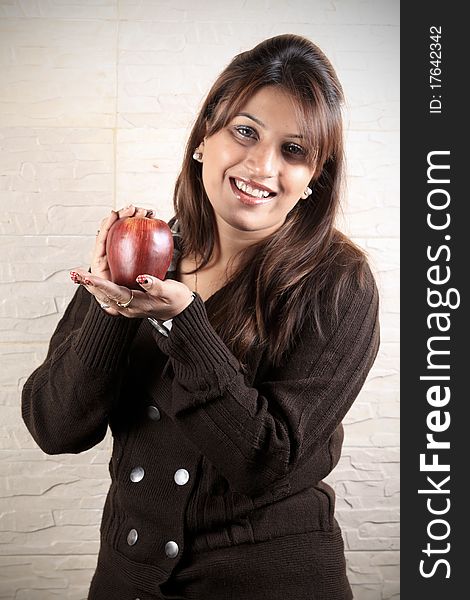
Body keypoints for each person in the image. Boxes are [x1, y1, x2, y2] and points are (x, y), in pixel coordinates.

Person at [22, 34, 380, 600]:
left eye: (293, 150)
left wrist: (184, 325)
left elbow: (265, 461)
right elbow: (54, 428)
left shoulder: (338, 283)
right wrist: (111, 311)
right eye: (245, 131)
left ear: (315, 175)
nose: (262, 165)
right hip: (126, 579)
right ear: (204, 137)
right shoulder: (144, 253)